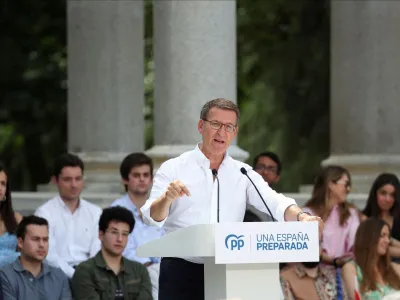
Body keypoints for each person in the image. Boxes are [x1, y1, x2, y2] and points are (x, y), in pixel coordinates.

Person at [140, 98, 323, 300]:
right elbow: (151, 216)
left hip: (227, 271)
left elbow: (275, 201)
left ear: (235, 132)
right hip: (180, 270)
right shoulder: (174, 167)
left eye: (229, 127)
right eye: (215, 124)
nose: (221, 133)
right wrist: (167, 198)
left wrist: (302, 217)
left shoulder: (242, 172)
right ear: (201, 126)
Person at [35, 153, 102, 278]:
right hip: (55, 275)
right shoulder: (44, 213)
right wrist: (76, 275)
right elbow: (49, 255)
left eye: (78, 179)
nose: (74, 185)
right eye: (67, 179)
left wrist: (87, 275)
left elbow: (97, 251)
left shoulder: (95, 212)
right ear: (55, 180)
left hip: (90, 276)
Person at [111, 153, 164, 299]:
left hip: (161, 268)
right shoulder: (116, 209)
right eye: (136, 175)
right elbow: (122, 249)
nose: (142, 179)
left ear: (151, 179)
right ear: (125, 179)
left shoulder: (160, 207)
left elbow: (166, 241)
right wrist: (148, 265)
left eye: (146, 175)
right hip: (129, 271)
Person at [71, 206, 153, 300]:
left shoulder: (140, 271)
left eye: (125, 234)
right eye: (114, 232)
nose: (120, 239)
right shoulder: (85, 271)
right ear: (101, 234)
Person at [0, 215, 71, 299]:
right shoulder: (6, 276)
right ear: (20, 242)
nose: (41, 245)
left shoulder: (59, 276)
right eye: (35, 239)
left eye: (45, 240)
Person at [303, 166, 359, 268]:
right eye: (346, 184)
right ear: (331, 184)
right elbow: (308, 248)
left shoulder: (350, 214)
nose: (348, 189)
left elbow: (355, 245)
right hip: (313, 271)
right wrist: (334, 261)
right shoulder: (307, 214)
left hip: (344, 272)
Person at [342, 218, 400, 299]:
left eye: (388, 236)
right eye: (382, 235)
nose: (387, 241)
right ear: (368, 237)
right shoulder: (351, 268)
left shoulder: (395, 268)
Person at [0, 165, 23, 268]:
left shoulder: (16, 219)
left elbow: (27, 253)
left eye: (3, 183)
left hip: (13, 278)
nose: (0, 187)